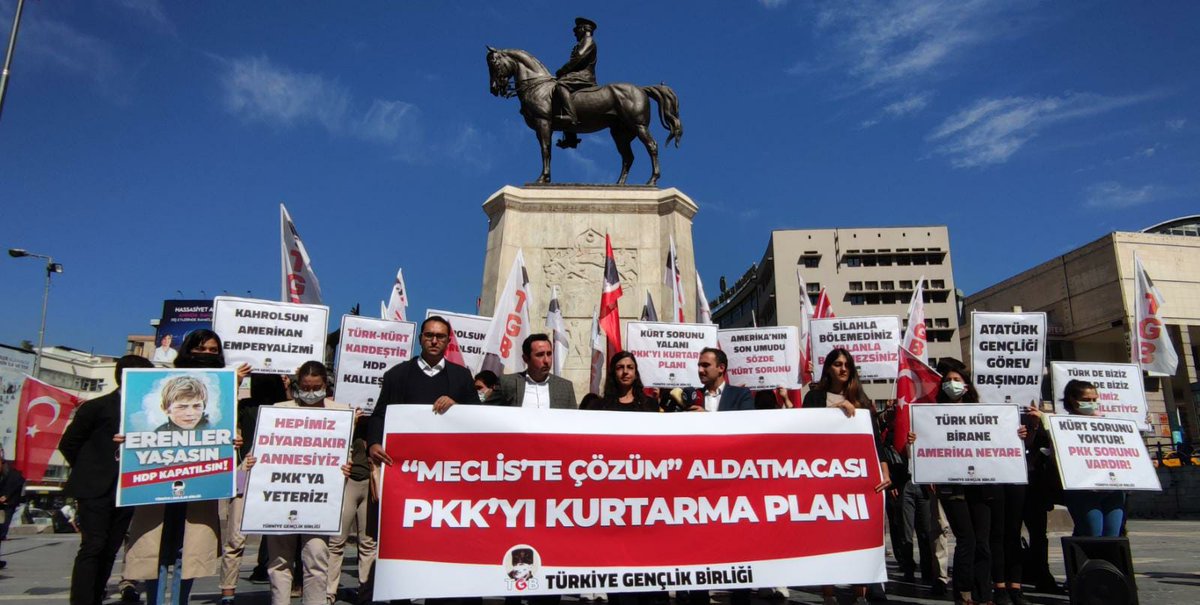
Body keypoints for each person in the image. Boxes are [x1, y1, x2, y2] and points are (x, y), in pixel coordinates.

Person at [121, 329, 249, 605]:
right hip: (157, 486)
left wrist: (233, 439)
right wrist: (126, 439)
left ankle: (181, 599)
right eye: (200, 350)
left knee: (188, 551)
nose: (206, 355)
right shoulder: (159, 378)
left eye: (213, 351)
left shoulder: (225, 387)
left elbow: (228, 425)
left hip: (199, 485)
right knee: (154, 549)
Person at [58, 354, 157, 605]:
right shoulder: (97, 407)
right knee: (93, 545)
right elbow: (69, 443)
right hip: (96, 488)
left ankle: (96, 594)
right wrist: (93, 467)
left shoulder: (147, 413)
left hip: (127, 489)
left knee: (111, 547)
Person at [254, 361, 353, 605]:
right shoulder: (278, 409)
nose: (311, 393)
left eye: (316, 387)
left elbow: (344, 450)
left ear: (325, 386)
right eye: (306, 388)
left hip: (319, 498)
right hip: (282, 494)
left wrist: (345, 465)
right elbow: (266, 448)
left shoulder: (341, 412)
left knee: (317, 558)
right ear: (297, 386)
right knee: (279, 561)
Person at [802, 348, 892, 605]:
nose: (843, 369)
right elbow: (804, 432)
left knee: (858, 534)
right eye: (837, 364)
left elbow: (875, 440)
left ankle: (860, 593)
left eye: (847, 365)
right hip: (824, 477)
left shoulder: (860, 398)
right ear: (828, 367)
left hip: (857, 478)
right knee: (826, 536)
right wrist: (836, 413)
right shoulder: (814, 397)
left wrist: (883, 470)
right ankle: (828, 593)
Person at [908, 359, 996, 605]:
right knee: (966, 538)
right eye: (947, 380)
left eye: (956, 380)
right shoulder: (931, 415)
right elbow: (923, 450)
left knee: (983, 541)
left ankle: (984, 593)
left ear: (966, 386)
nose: (951, 384)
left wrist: (1017, 434)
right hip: (951, 487)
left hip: (981, 484)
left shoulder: (983, 414)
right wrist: (914, 442)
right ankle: (963, 592)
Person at [680, 348, 752, 605]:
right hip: (697, 488)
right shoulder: (689, 396)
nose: (700, 370)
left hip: (730, 487)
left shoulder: (741, 395)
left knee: (735, 550)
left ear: (721, 368)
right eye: (699, 365)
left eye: (705, 365)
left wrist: (707, 419)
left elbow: (745, 432)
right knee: (697, 550)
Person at [367, 316, 478, 465]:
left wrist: (456, 407)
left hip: (448, 462)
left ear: (448, 341)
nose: (434, 341)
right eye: (429, 335)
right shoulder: (396, 375)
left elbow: (477, 415)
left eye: (440, 336)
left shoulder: (462, 376)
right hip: (406, 461)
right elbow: (379, 415)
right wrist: (373, 444)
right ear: (420, 338)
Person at [1059, 379, 1126, 537]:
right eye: (1086, 400)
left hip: (1112, 488)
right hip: (1083, 489)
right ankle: (1084, 561)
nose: (1092, 403)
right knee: (1092, 532)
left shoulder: (1108, 423)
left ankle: (1106, 562)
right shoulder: (1062, 425)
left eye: (1095, 400)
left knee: (1113, 534)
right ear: (1072, 400)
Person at [327, 421, 377, 605]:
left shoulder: (377, 419)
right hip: (347, 483)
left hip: (371, 482)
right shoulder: (345, 417)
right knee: (336, 541)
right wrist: (352, 422)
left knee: (368, 543)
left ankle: (366, 595)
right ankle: (328, 594)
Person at [484, 334, 577, 409]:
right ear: (526, 358)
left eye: (549, 354)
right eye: (540, 355)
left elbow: (573, 422)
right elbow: (484, 412)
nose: (546, 360)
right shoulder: (507, 383)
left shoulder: (565, 387)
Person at [553, 17, 598, 149]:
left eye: (576, 29)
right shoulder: (582, 42)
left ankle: (571, 117)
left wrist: (562, 70)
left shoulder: (588, 41)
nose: (574, 32)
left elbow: (578, 58)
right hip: (576, 75)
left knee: (561, 85)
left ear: (584, 29)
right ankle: (570, 138)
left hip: (583, 76)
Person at [590, 352, 659, 413]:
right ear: (613, 373)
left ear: (635, 374)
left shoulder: (650, 405)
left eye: (630, 367)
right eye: (620, 367)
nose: (625, 371)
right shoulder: (598, 406)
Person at [0, 447, 25, 570]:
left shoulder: (13, 473)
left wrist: (6, 496)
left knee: (1, 531)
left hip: (6, 507)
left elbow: (19, 481)